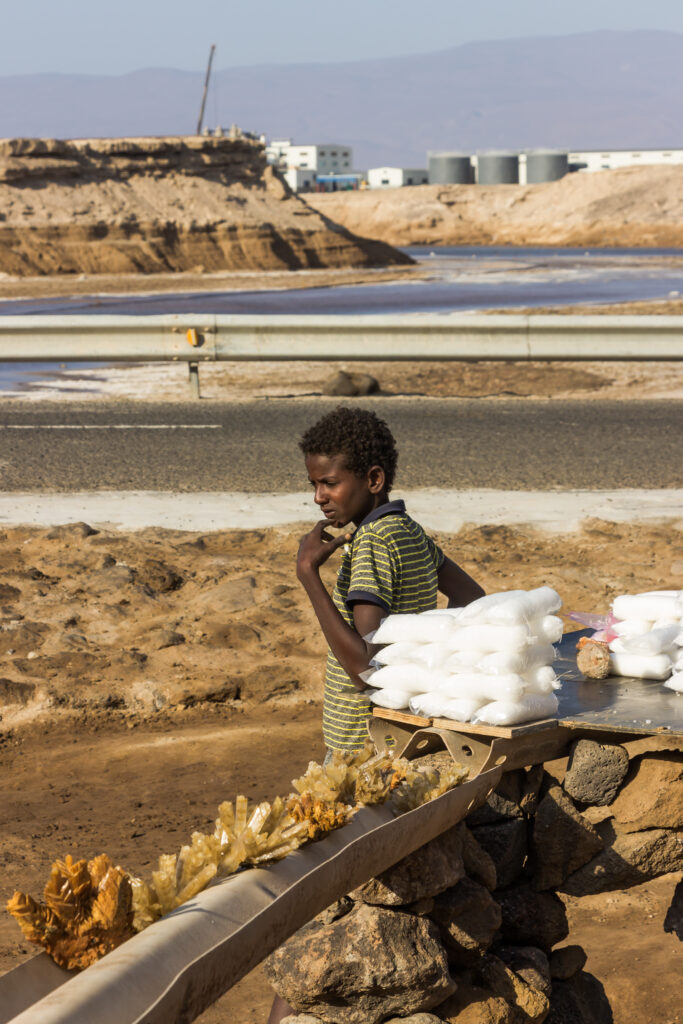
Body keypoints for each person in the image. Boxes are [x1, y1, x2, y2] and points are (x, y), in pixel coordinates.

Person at [268, 406, 484, 1023]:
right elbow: (471, 600)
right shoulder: (409, 533)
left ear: (373, 478)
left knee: (318, 909)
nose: (319, 498)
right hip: (407, 733)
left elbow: (367, 666)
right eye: (312, 485)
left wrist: (309, 575)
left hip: (359, 748)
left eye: (330, 483)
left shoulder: (368, 551)